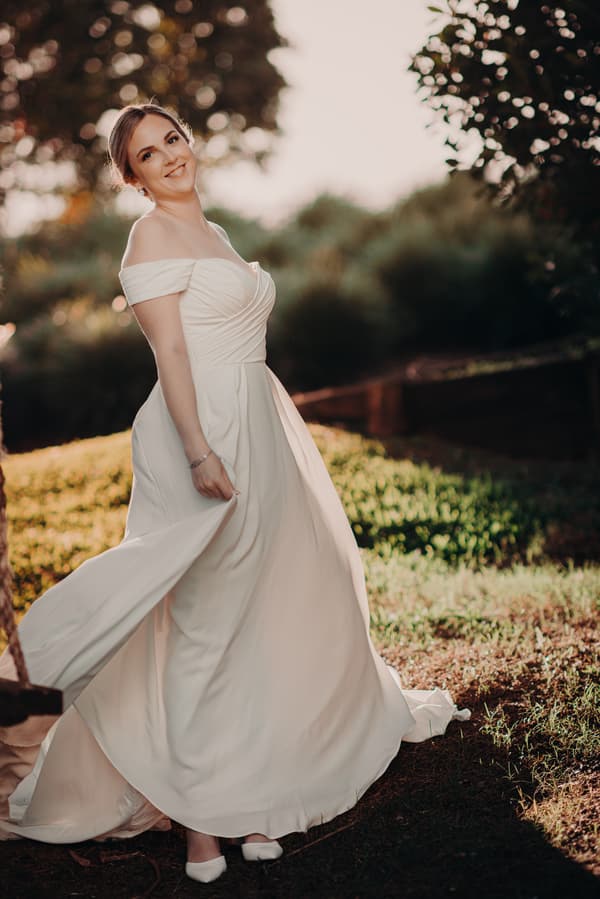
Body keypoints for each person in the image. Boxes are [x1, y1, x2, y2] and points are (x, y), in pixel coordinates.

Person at [0, 102, 470, 885]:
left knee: (253, 615)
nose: (170, 156)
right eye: (149, 154)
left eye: (173, 139)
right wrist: (198, 451)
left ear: (189, 143)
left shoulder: (213, 234)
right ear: (135, 177)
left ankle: (246, 793)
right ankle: (199, 822)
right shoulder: (148, 236)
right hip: (200, 434)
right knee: (201, 627)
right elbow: (172, 352)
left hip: (258, 422)